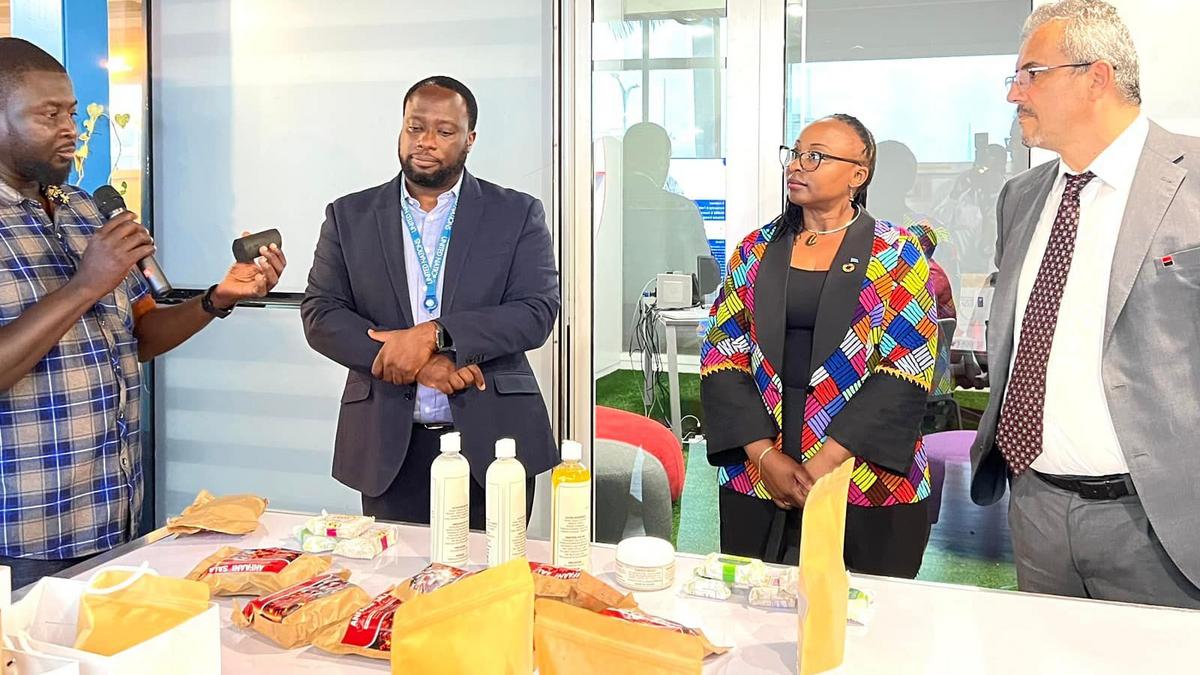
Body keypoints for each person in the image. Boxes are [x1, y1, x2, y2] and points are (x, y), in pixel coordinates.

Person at [0, 38, 287, 589]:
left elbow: (141, 336)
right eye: (49, 115)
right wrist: (87, 284)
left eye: (72, 114)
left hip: (114, 516)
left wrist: (216, 299)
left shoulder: (84, 210)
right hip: (22, 534)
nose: (69, 129)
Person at [971, 0, 1200, 608]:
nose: (1014, 94)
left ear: (1096, 77)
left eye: (1030, 74)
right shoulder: (1021, 197)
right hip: (1036, 508)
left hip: (1162, 522)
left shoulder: (1194, 179)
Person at [302, 76, 559, 529]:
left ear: (469, 139)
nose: (425, 141)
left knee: (496, 570)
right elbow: (321, 314)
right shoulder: (349, 216)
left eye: (444, 131)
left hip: (494, 440)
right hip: (388, 444)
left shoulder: (516, 213)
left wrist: (435, 335)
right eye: (415, 127)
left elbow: (536, 311)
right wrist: (418, 363)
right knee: (396, 571)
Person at [700, 114, 938, 575]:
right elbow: (721, 353)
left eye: (815, 157)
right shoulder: (755, 249)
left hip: (866, 477)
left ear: (857, 175)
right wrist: (764, 456)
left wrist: (825, 462)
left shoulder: (896, 253)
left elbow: (907, 364)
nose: (796, 165)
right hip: (760, 476)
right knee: (754, 606)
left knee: (867, 612)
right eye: (795, 154)